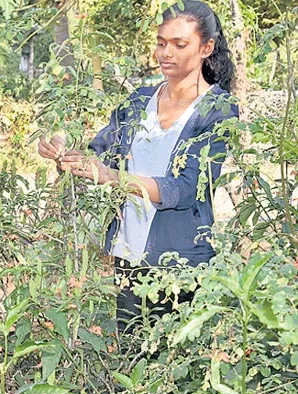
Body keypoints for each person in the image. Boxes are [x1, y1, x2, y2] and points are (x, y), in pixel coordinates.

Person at [38, 1, 238, 332]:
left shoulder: (217, 109)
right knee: (133, 363)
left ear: (207, 47)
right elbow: (100, 154)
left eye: (179, 44)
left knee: (173, 372)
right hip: (128, 257)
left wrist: (113, 177)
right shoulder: (138, 102)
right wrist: (66, 155)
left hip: (180, 263)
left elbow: (186, 188)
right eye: (161, 42)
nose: (165, 53)